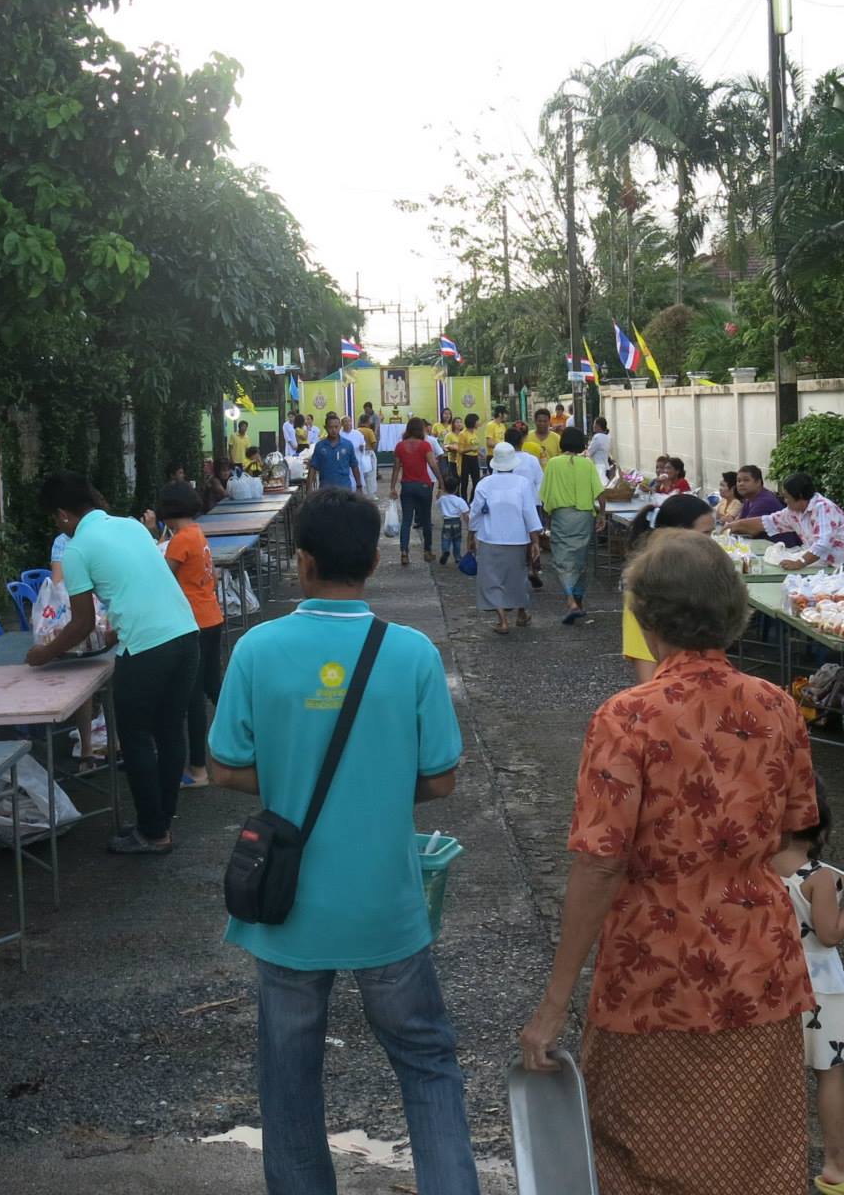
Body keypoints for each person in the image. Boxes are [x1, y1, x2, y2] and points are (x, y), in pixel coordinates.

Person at [519, 531, 820, 1193]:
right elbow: (794, 837)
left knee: (642, 1158)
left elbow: (599, 864)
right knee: (754, 1158)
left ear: (647, 616)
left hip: (653, 970)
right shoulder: (776, 705)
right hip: (758, 964)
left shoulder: (628, 717)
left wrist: (555, 1002)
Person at [206, 490, 478, 1195]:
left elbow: (225, 767)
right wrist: (380, 781)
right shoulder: (411, 652)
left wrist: (290, 774)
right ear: (376, 561)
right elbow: (441, 779)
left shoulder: (257, 648)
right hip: (386, 905)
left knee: (290, 1083)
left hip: (288, 908)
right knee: (427, 1065)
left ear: (302, 562)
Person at [30, 472, 200, 855]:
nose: (57, 526)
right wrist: (113, 632)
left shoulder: (76, 550)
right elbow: (138, 586)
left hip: (146, 648)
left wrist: (44, 653)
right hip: (185, 634)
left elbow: (81, 623)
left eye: (54, 518)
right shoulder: (131, 526)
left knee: (135, 737)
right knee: (170, 731)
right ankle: (160, 822)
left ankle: (152, 832)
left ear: (63, 514)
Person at [770, 784, 844, 1195]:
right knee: (830, 1074)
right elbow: (829, 934)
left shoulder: (760, 865)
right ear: (822, 831)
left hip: (771, 983)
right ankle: (836, 1166)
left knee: (770, 1077)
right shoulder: (820, 877)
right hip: (819, 990)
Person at [153, 482, 227, 790]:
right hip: (212, 616)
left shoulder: (180, 540)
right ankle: (248, 738)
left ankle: (198, 770)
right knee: (213, 686)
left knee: (193, 698)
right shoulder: (196, 533)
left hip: (193, 623)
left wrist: (150, 534)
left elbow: (159, 577)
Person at [618, 492, 712, 683]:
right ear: (676, 534)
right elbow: (644, 661)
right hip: (669, 687)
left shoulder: (696, 573)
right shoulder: (644, 586)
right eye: (705, 535)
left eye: (712, 533)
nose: (711, 542)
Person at [726, 472, 844, 573]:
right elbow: (769, 521)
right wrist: (736, 525)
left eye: (787, 497)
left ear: (799, 496)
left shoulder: (823, 508)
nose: (785, 501)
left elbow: (823, 543)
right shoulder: (794, 511)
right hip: (833, 565)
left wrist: (800, 562)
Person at [469, 440, 543, 632]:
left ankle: (502, 620)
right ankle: (521, 613)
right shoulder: (523, 483)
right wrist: (535, 541)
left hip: (489, 537)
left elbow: (475, 512)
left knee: (492, 579)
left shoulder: (484, 484)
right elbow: (529, 513)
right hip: (517, 539)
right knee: (517, 579)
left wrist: (471, 535)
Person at [541, 425, 605, 625]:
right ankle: (579, 600)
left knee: (562, 560)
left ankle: (571, 602)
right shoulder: (587, 464)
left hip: (562, 516)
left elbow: (545, 495)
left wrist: (547, 520)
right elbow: (600, 492)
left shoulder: (553, 463)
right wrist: (602, 515)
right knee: (580, 559)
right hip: (584, 516)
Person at [392, 416, 438, 566]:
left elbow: (396, 468)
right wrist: (442, 482)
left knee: (406, 520)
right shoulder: (425, 445)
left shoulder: (400, 446)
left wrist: (392, 487)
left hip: (407, 486)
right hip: (424, 485)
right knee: (426, 519)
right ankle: (427, 551)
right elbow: (433, 464)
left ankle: (404, 552)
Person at [507, 424, 548, 588]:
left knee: (515, 537)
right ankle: (533, 568)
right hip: (531, 502)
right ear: (522, 441)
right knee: (533, 536)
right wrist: (538, 500)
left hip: (511, 504)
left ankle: (516, 569)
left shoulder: (503, 461)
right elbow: (540, 481)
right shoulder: (531, 460)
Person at [308, 410, 362, 493]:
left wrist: (359, 486)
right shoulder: (320, 446)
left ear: (340, 427)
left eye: (336, 427)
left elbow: (354, 466)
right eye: (330, 427)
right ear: (325, 427)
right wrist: (309, 488)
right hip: (325, 490)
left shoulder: (348, 445)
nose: (333, 430)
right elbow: (313, 467)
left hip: (344, 489)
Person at [437, 484, 471, 566]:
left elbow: (437, 502)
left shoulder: (442, 499)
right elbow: (465, 513)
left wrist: (439, 492)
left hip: (446, 522)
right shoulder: (459, 500)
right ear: (456, 489)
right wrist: (469, 525)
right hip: (456, 522)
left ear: (445, 489)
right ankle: (457, 557)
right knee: (457, 540)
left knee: (445, 539)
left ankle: (445, 551)